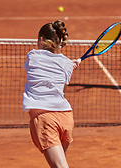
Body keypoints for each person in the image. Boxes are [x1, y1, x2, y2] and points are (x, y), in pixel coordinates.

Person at [23, 20, 80, 168]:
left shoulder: (32, 56)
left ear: (41, 40)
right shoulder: (67, 63)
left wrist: (68, 66)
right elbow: (62, 91)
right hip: (66, 118)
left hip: (45, 120)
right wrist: (69, 66)